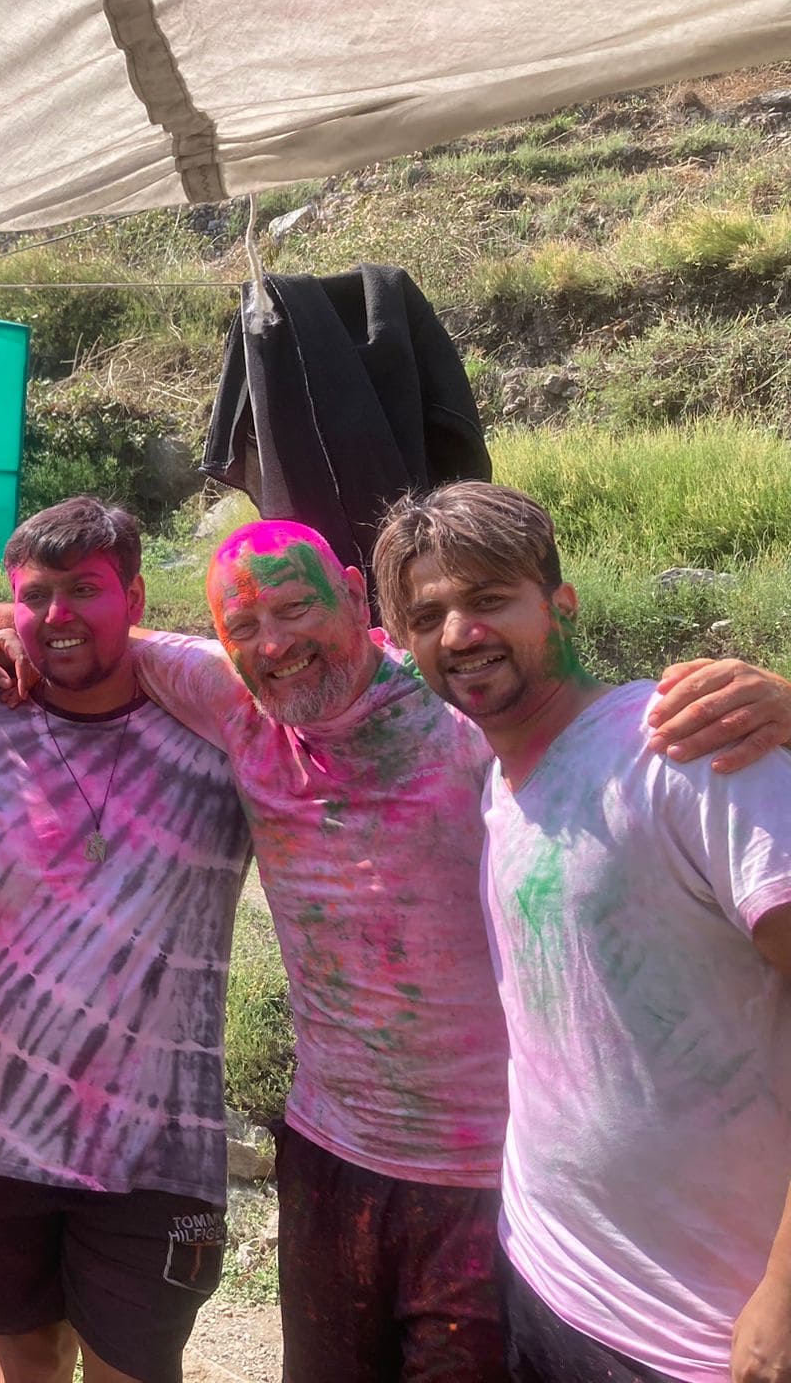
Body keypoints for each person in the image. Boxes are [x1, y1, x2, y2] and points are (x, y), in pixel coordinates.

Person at [0, 517, 791, 1383]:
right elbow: (81, 624)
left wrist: (778, 702)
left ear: (359, 598)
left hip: (489, 1172)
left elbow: (591, 714)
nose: (275, 643)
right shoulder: (234, 702)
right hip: (328, 1155)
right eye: (245, 625)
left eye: (297, 609)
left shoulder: (466, 714)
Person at [373, 481, 791, 1383]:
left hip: (703, 1333)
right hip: (547, 1279)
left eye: (489, 600)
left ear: (560, 603)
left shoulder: (688, 751)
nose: (460, 635)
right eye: (429, 615)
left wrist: (784, 1297)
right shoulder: (502, 777)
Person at [0, 496, 251, 1383]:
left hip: (157, 1143)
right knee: (22, 1359)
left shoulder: (220, 733)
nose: (58, 615)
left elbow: (338, 670)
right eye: (36, 596)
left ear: (137, 598)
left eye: (86, 590)